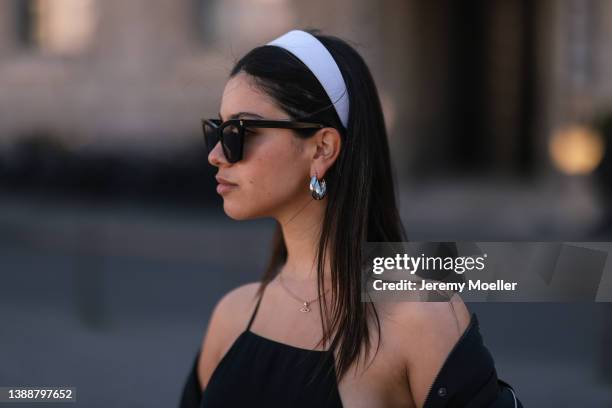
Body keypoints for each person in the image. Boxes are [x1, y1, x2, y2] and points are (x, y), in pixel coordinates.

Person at [179, 28, 522, 407]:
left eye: (238, 131)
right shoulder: (231, 318)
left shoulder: (421, 316)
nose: (216, 154)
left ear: (323, 148)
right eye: (217, 130)